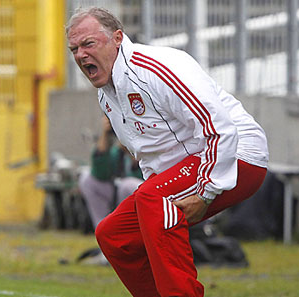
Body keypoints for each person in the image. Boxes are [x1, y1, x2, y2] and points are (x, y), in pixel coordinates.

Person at [66, 7, 268, 297]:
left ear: (118, 38)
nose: (80, 55)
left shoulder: (156, 67)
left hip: (239, 155)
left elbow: (218, 127)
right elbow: (148, 156)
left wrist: (205, 191)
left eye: (88, 44)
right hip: (197, 164)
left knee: (152, 199)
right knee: (113, 235)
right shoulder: (107, 95)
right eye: (74, 48)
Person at [79, 114, 143, 229]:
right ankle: (103, 229)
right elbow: (100, 172)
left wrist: (130, 148)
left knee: (126, 185)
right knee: (86, 179)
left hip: (146, 192)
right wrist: (106, 132)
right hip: (117, 193)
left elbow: (143, 169)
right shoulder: (116, 152)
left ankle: (132, 231)